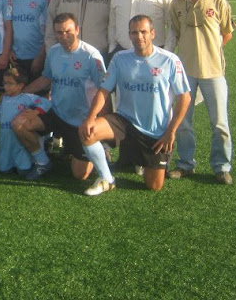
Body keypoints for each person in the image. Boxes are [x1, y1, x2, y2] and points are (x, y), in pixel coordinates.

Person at [78, 15, 191, 195]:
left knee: (154, 186)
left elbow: (184, 97)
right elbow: (104, 91)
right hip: (125, 122)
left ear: (153, 33)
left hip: (156, 131)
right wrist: (90, 117)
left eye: (144, 32)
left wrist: (171, 131)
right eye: (134, 32)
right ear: (129, 35)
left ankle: (142, 160)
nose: (139, 37)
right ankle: (107, 178)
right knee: (88, 132)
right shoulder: (120, 59)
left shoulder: (169, 60)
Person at [14, 13, 106, 181]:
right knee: (19, 124)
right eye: (59, 33)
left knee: (80, 175)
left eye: (68, 31)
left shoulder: (92, 56)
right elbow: (46, 78)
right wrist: (23, 91)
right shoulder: (54, 52)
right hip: (56, 111)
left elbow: (104, 91)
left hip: (80, 120)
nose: (64, 36)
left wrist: (96, 121)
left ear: (77, 30)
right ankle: (42, 162)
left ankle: (97, 148)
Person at [169, 0, 236, 185]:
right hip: (185, 73)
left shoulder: (218, 2)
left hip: (213, 73)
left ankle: (221, 166)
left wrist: (210, 53)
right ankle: (186, 164)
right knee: (184, 122)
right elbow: (177, 34)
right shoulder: (177, 4)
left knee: (219, 123)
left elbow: (227, 33)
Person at [0, 67, 51, 175]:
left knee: (23, 171)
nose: (5, 86)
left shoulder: (26, 97)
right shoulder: (4, 98)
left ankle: (29, 163)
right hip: (5, 139)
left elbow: (46, 103)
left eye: (10, 83)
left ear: (20, 86)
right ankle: (7, 164)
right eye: (4, 83)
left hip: (18, 140)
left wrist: (35, 112)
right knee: (4, 170)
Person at [10, 0, 51, 81]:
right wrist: (9, 49)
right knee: (17, 93)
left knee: (38, 95)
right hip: (17, 57)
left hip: (36, 57)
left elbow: (49, 30)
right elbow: (9, 26)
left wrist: (41, 56)